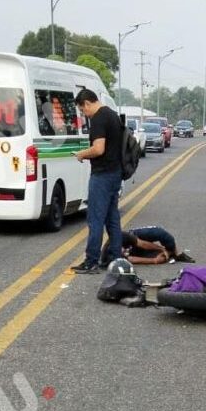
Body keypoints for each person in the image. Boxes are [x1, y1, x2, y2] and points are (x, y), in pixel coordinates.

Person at [72, 89, 124, 274]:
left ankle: (91, 261)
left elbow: (98, 149)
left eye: (82, 110)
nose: (83, 113)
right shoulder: (112, 115)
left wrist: (81, 154)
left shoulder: (99, 119)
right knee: (112, 219)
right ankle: (116, 258)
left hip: (102, 175)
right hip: (115, 173)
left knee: (95, 219)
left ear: (86, 103)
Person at [121, 226, 196, 265]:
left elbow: (141, 243)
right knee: (162, 258)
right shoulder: (112, 251)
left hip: (134, 239)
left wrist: (161, 249)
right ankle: (170, 254)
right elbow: (130, 259)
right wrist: (154, 261)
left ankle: (175, 253)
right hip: (133, 254)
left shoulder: (121, 235)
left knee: (160, 233)